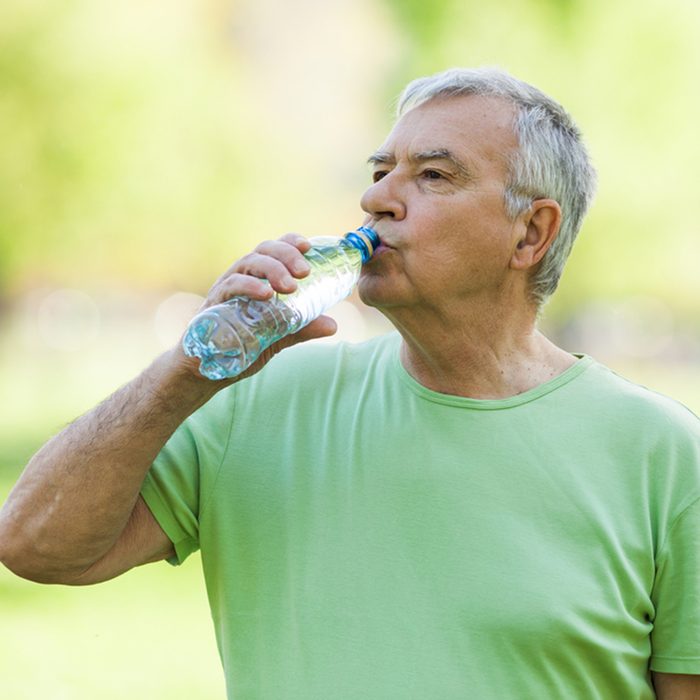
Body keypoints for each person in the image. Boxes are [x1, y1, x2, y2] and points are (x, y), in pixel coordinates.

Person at [1, 67, 699, 699]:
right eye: (380, 168)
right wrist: (186, 369)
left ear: (530, 235)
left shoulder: (662, 455)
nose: (375, 198)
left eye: (431, 175)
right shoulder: (257, 399)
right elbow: (33, 544)